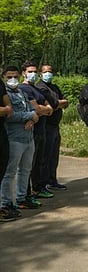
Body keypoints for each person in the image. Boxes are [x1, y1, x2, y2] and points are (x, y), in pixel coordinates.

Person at [1, 66, 39, 218]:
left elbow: (33, 109)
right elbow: (9, 115)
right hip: (14, 138)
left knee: (25, 170)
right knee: (9, 173)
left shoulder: (21, 92)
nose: (13, 79)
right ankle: (5, 203)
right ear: (4, 77)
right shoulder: (5, 94)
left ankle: (21, 198)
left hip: (28, 137)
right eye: (9, 76)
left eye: (15, 76)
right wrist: (29, 116)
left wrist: (32, 118)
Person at [19, 61, 54, 199]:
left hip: (42, 130)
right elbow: (37, 109)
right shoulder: (25, 88)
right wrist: (45, 109)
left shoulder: (37, 89)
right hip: (33, 130)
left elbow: (48, 106)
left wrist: (45, 109)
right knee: (29, 164)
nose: (33, 74)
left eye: (35, 71)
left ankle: (37, 188)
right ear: (24, 73)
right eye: (30, 71)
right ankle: (27, 193)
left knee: (40, 161)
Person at [36, 64, 69, 191]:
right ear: (40, 74)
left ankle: (52, 179)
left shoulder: (54, 87)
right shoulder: (40, 87)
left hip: (56, 125)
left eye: (50, 71)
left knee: (54, 155)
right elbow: (53, 104)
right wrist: (57, 104)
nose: (48, 74)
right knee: (46, 155)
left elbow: (64, 102)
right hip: (46, 125)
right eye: (45, 72)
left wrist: (58, 104)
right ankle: (43, 182)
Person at [0, 77, 13, 221]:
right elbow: (7, 108)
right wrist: (6, 109)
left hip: (2, 133)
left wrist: (5, 109)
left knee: (2, 169)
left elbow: (9, 108)